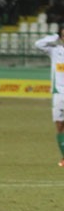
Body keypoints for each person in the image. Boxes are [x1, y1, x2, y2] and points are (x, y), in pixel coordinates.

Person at [35, 26, 64, 167]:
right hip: (59, 93)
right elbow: (38, 44)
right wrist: (55, 37)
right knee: (59, 125)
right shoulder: (55, 51)